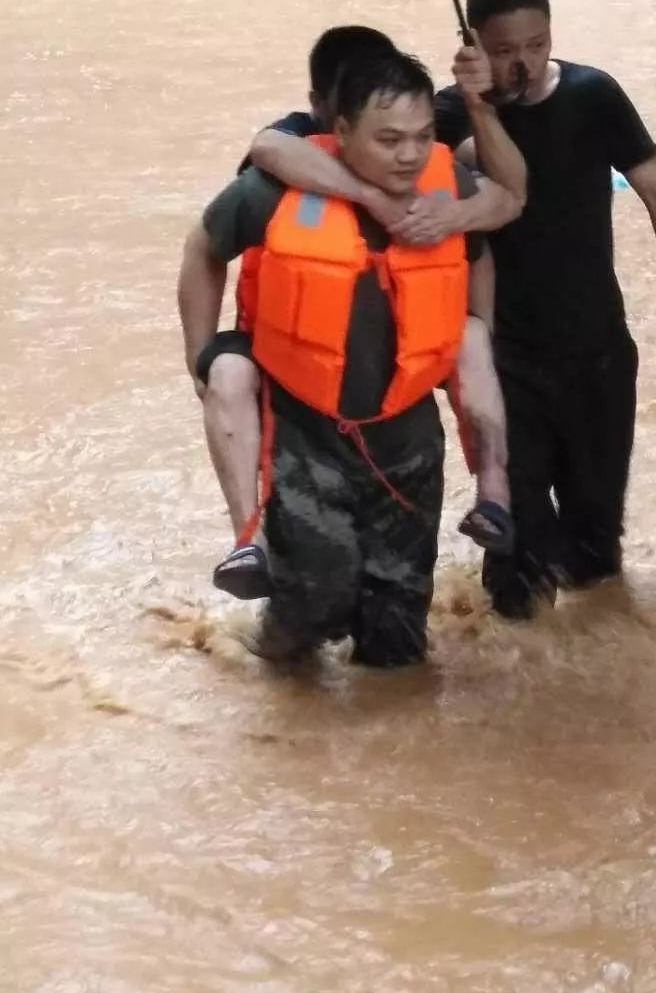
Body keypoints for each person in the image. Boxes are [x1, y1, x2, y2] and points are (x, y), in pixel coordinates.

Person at [178, 47, 492, 666]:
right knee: (314, 601)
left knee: (398, 639)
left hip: (407, 443)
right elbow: (202, 250)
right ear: (340, 132)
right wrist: (204, 357)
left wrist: (473, 341)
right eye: (388, 138)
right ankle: (264, 655)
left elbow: (483, 248)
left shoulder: (446, 189)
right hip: (305, 435)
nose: (407, 154)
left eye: (421, 137)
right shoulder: (270, 191)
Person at [434, 0, 656, 620]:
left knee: (596, 557)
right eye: (504, 52)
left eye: (536, 45)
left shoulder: (594, 96)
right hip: (505, 364)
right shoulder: (448, 116)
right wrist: (478, 103)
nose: (522, 65)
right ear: (474, 44)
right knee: (515, 564)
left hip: (596, 354)